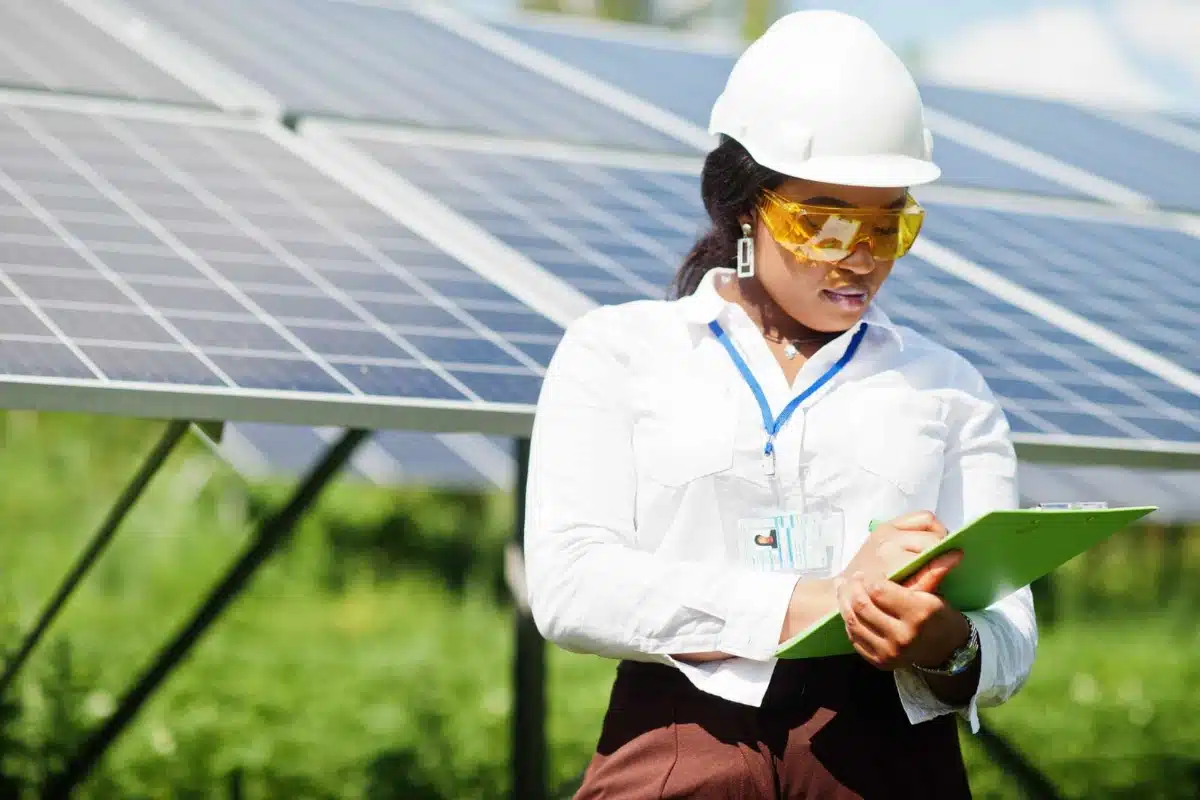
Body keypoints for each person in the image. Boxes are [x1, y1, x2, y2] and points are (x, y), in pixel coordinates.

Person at [523, 9, 1037, 798]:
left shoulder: (947, 387)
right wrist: (817, 602)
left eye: (888, 224)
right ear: (743, 204)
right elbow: (570, 585)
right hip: (678, 747)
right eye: (823, 222)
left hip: (889, 761)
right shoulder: (619, 353)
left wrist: (947, 645)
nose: (858, 255)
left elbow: (1009, 634)